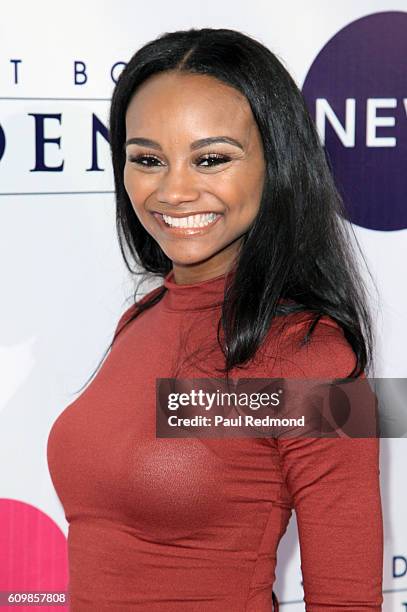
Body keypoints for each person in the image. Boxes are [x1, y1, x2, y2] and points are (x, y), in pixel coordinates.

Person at [47, 27, 383, 611]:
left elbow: (347, 599)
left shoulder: (314, 356)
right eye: (147, 159)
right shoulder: (140, 319)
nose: (174, 190)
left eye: (211, 159)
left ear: (275, 163)